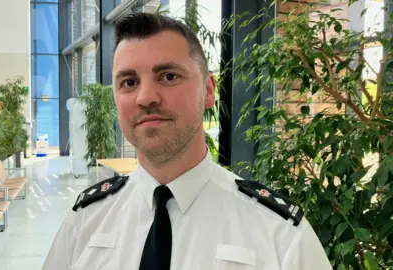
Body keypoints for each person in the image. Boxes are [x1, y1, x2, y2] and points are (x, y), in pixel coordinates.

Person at [42, 12, 332, 270]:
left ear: (208, 91)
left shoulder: (279, 235)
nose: (146, 98)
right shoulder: (86, 222)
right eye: (129, 82)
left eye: (168, 76)